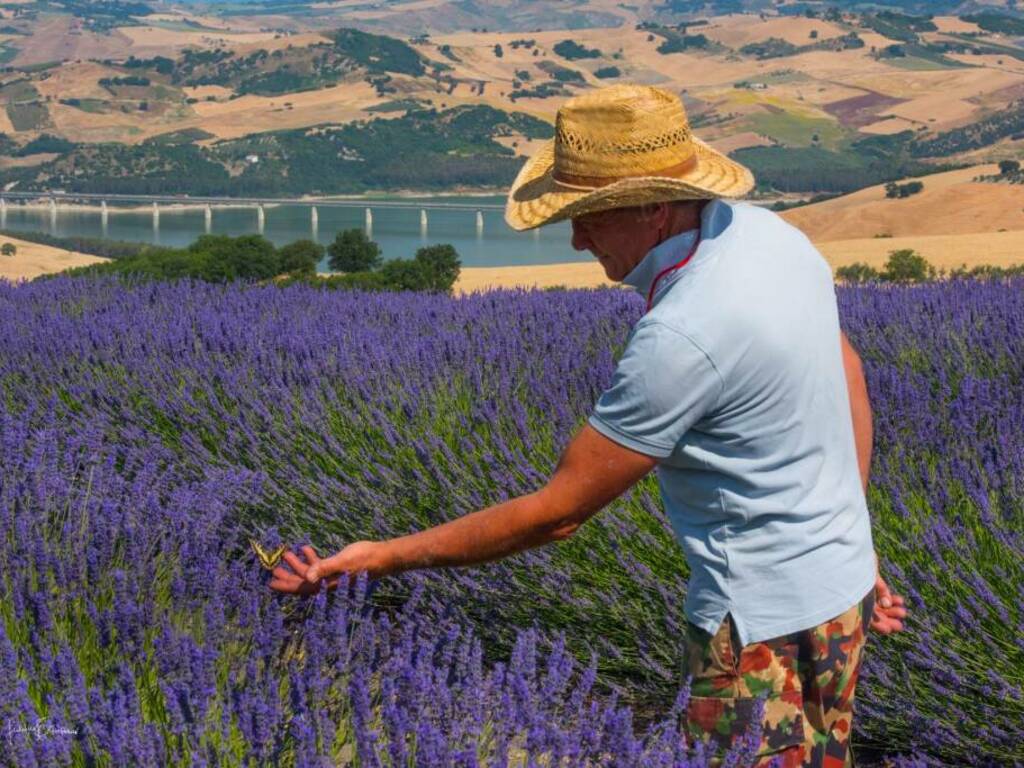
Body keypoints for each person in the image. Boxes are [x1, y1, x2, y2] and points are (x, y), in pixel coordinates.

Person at [269, 84, 908, 767]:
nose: (576, 236)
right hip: (843, 596)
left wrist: (378, 557)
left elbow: (558, 514)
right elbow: (849, 374)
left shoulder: (684, 335)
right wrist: (851, 539)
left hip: (759, 631)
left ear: (656, 208)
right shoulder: (774, 239)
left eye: (592, 217)